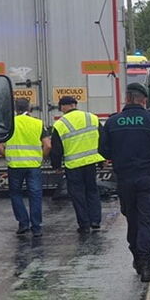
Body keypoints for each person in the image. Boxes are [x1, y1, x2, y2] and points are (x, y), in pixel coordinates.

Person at [99, 82, 150, 282]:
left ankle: (137, 257)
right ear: (143, 100)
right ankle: (146, 265)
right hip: (148, 177)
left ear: (127, 98)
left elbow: (103, 151)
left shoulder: (113, 122)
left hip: (124, 179)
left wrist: (119, 156)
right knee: (147, 220)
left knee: (133, 220)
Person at [0, 98, 50, 237]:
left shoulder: (8, 123)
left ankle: (23, 224)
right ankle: (36, 227)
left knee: (16, 194)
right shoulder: (38, 123)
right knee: (35, 195)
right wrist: (41, 158)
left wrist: (8, 156)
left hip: (14, 166)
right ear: (30, 107)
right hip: (33, 165)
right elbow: (48, 145)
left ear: (15, 109)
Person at [51, 96, 104, 233]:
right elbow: (103, 139)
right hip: (91, 162)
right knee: (92, 191)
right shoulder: (92, 117)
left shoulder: (60, 124)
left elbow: (56, 149)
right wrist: (103, 159)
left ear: (63, 107)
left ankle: (84, 224)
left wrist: (56, 166)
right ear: (75, 104)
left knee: (77, 195)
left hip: (73, 165)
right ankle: (95, 221)